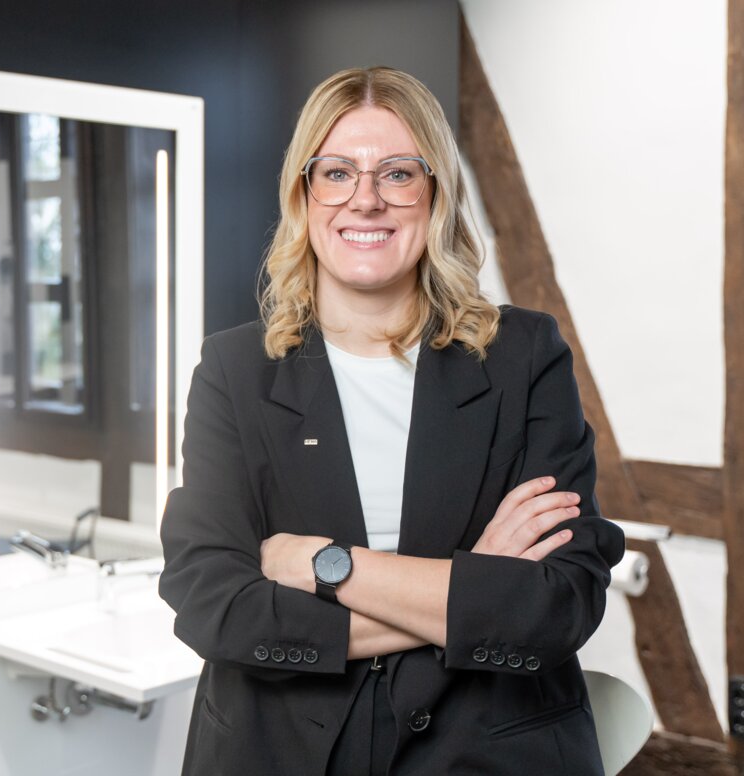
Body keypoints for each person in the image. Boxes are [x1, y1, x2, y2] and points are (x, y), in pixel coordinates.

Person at [158, 66, 625, 776]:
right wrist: (474, 584)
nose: (366, 199)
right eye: (337, 173)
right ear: (303, 194)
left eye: (398, 174)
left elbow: (557, 605)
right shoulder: (235, 370)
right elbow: (215, 607)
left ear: (435, 194)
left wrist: (323, 566)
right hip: (280, 751)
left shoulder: (524, 355)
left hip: (486, 754)